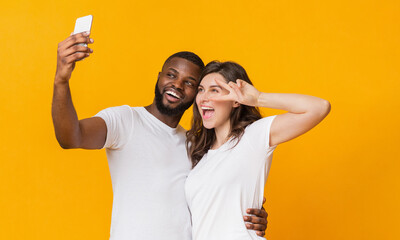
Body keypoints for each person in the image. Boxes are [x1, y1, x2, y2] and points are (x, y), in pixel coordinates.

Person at [52, 32, 268, 240]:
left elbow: (220, 193)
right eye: (171, 75)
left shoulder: (197, 144)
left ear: (198, 94)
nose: (177, 84)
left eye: (190, 83)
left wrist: (249, 213)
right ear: (159, 76)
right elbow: (71, 137)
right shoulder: (125, 120)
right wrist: (61, 81)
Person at [185, 61, 331, 240]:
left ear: (236, 100)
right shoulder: (200, 156)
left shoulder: (253, 136)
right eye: (201, 89)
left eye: (214, 90)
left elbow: (319, 107)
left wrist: (259, 98)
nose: (203, 97)